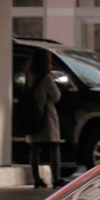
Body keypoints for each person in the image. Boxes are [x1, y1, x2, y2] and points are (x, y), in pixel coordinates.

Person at [26, 50, 63, 188]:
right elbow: (56, 96)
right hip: (47, 115)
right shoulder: (47, 77)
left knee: (35, 148)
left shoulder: (29, 74)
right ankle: (56, 178)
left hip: (33, 113)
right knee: (54, 147)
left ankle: (37, 179)